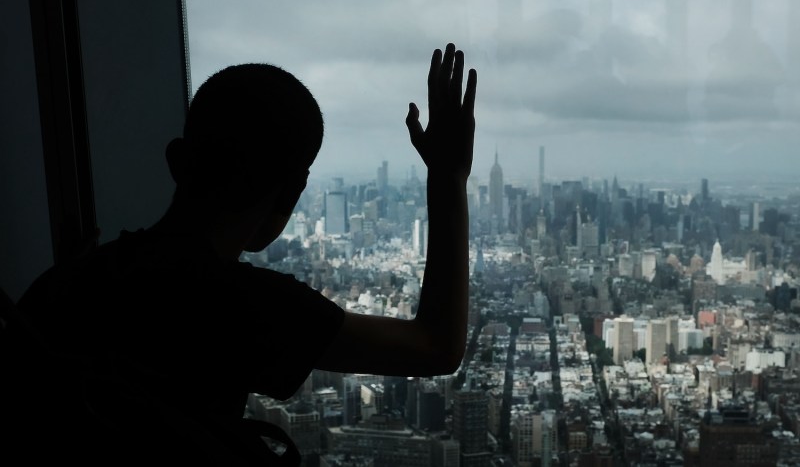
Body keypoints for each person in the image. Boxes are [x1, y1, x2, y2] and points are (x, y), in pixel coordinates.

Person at [13, 43, 477, 464]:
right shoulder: (246, 306)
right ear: (292, 193)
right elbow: (437, 347)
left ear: (177, 161)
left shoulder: (60, 285)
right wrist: (448, 176)